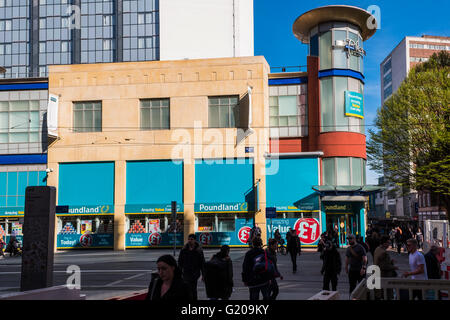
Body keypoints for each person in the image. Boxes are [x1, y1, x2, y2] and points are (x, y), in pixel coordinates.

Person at [178, 234, 205, 300]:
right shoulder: (184, 249)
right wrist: (179, 272)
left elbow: (202, 263)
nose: (190, 241)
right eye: (189, 239)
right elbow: (180, 262)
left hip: (195, 273)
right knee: (187, 288)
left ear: (195, 240)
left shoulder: (198, 250)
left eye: (192, 239)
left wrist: (204, 275)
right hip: (186, 272)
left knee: (193, 289)